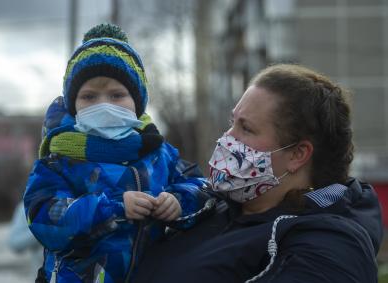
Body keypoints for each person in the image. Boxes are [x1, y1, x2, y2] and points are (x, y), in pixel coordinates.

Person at [132, 64, 383, 283]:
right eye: (233, 122)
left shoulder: (330, 248)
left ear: (297, 155)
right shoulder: (215, 206)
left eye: (246, 128)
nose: (227, 138)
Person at [23, 23, 211, 283]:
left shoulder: (160, 154)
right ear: (73, 105)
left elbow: (203, 188)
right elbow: (45, 217)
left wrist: (180, 201)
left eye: (116, 95)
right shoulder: (58, 161)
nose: (103, 105)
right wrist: (115, 208)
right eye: (89, 96)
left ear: (137, 102)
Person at [7, 201, 43, 281]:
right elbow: (15, 243)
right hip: (42, 277)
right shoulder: (28, 203)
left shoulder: (75, 200)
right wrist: (42, 229)